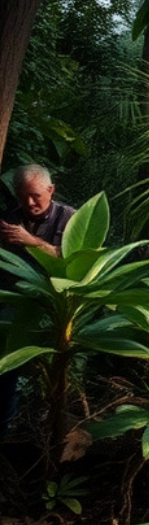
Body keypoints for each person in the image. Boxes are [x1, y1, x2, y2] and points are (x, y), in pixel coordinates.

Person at [0, 165, 77, 441]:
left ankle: (51, 436)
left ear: (50, 190)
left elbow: (75, 261)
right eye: (23, 197)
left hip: (54, 312)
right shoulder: (8, 219)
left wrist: (30, 241)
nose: (29, 203)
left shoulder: (70, 218)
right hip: (11, 309)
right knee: (7, 371)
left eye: (35, 196)